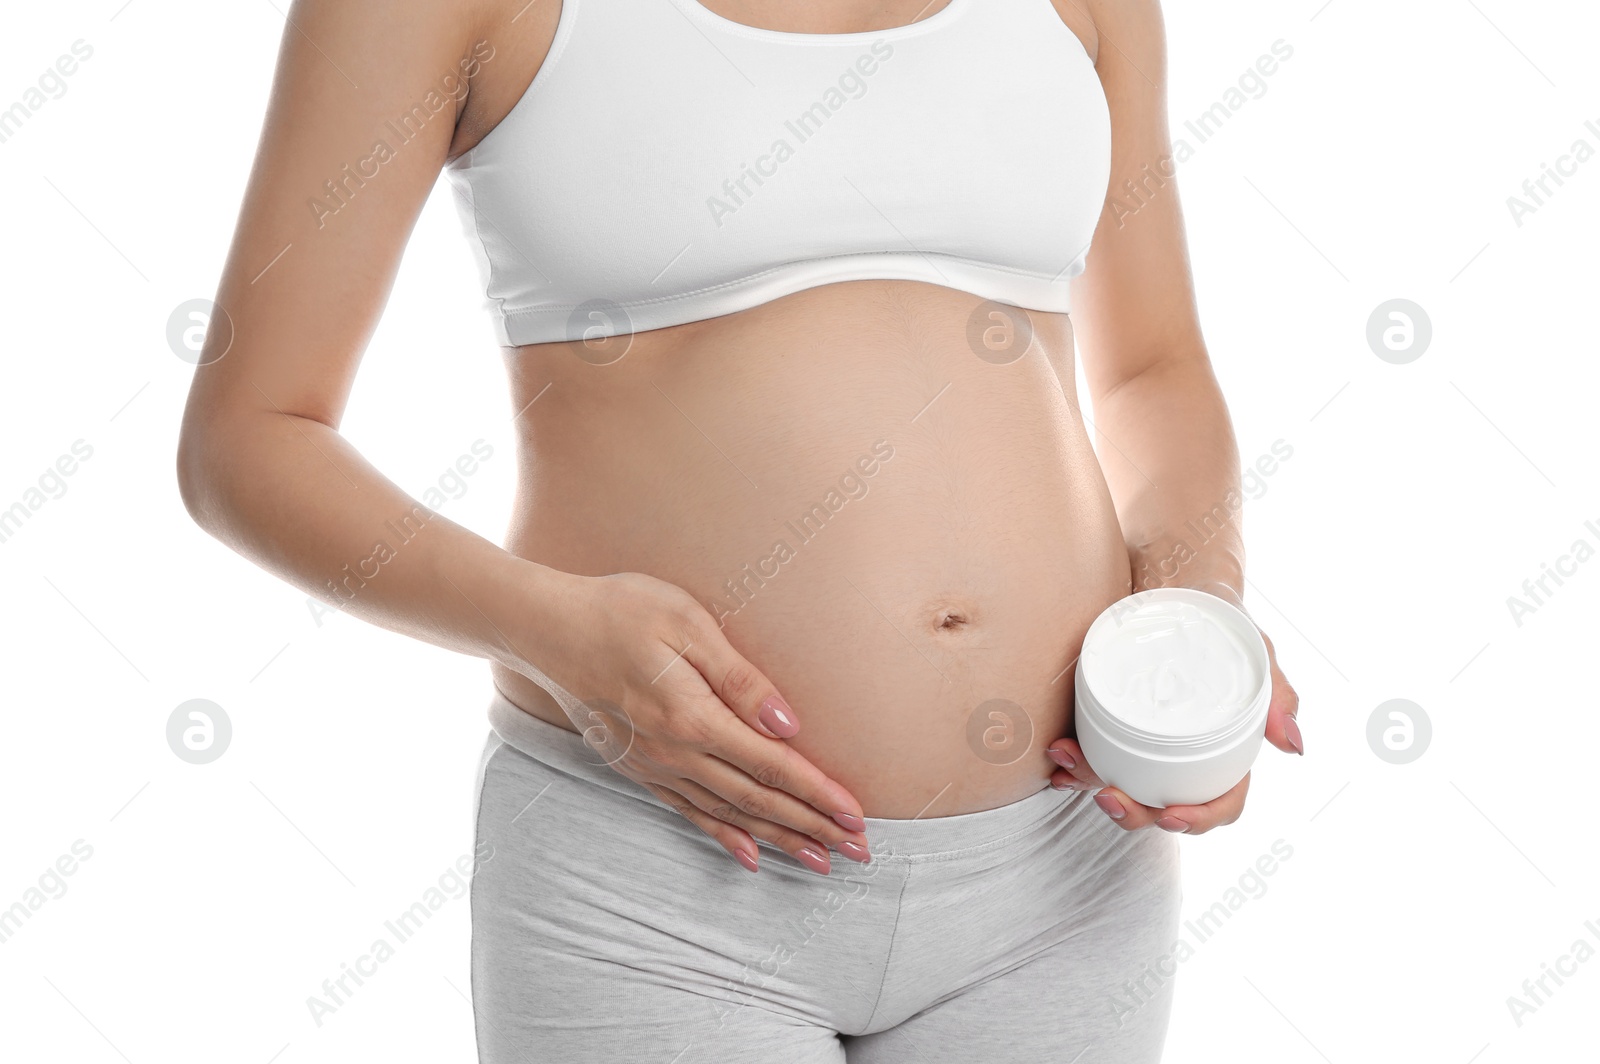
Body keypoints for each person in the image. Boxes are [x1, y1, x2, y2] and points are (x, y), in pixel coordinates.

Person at [178, 0, 1303, 1059]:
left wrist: (1196, 620)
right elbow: (246, 438)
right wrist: (550, 630)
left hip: (1062, 873)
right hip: (653, 883)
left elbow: (1155, 367)